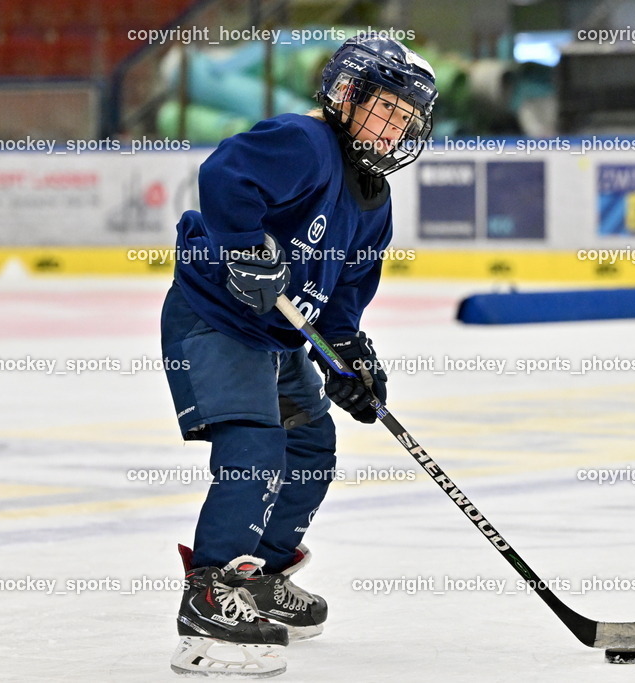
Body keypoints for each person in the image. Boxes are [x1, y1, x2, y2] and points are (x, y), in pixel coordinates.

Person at [160, 32, 438, 677]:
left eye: (406, 120)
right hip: (218, 319)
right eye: (385, 109)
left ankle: (263, 573)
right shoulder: (305, 141)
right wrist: (245, 247)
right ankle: (211, 594)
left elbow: (344, 292)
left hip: (280, 335)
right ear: (346, 94)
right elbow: (225, 176)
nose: (394, 129)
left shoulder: (373, 196)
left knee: (311, 445)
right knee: (256, 447)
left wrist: (350, 356)